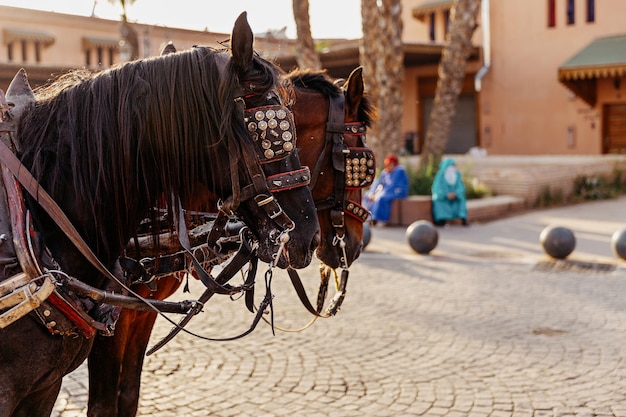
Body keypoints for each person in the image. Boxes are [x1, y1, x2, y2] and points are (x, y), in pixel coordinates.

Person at [363, 154, 409, 226]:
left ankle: (382, 219)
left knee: (381, 198)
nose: (388, 167)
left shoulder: (399, 171)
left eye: (390, 164)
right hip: (385, 191)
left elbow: (392, 185)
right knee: (368, 196)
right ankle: (371, 217)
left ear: (394, 164)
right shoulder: (385, 172)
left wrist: (378, 195)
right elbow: (379, 184)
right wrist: (373, 193)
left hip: (397, 191)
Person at [431, 158, 469, 226]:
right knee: (439, 202)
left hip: (455, 196)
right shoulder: (440, 176)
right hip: (443, 196)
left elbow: (460, 187)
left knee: (461, 199)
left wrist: (456, 193)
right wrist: (446, 194)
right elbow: (437, 188)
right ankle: (441, 220)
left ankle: (463, 218)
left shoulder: (457, 175)